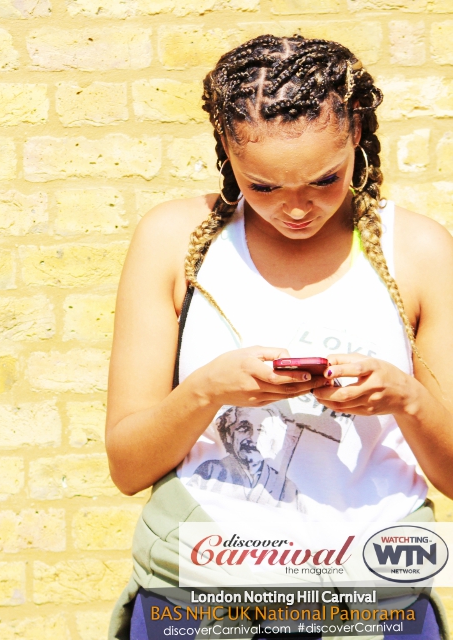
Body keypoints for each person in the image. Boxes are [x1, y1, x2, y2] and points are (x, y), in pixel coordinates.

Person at [105, 35, 452, 639]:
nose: (296, 209)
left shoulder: (418, 251)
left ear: (359, 140)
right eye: (263, 186)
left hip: (374, 603)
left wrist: (405, 398)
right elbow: (128, 465)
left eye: (324, 179)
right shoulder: (174, 241)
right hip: (199, 604)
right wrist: (209, 390)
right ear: (226, 153)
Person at [186, 405, 302, 510]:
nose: (252, 438)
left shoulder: (286, 487)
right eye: (244, 428)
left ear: (272, 439)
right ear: (229, 435)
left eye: (261, 430)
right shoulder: (210, 470)